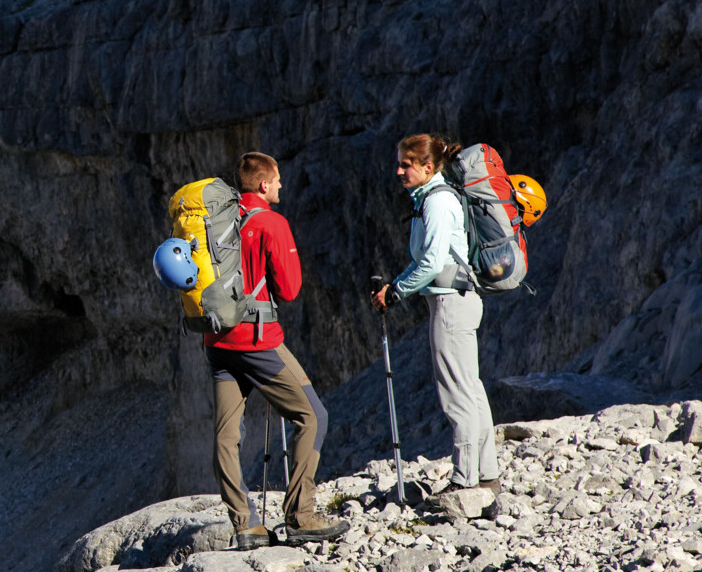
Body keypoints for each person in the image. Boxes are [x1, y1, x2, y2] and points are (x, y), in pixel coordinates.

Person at [207, 152, 348, 550]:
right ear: (264, 184)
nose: (282, 185)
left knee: (226, 435)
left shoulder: (217, 221)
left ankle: (246, 525)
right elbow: (289, 289)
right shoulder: (271, 222)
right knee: (313, 416)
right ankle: (301, 515)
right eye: (278, 180)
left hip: (217, 342)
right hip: (257, 340)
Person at [370, 134, 500, 495]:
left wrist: (395, 291)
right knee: (470, 388)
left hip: (449, 305)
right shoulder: (433, 198)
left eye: (406, 165)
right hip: (457, 300)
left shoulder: (437, 202)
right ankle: (486, 474)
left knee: (456, 392)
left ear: (428, 167)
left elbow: (430, 262)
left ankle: (465, 479)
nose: (399, 171)